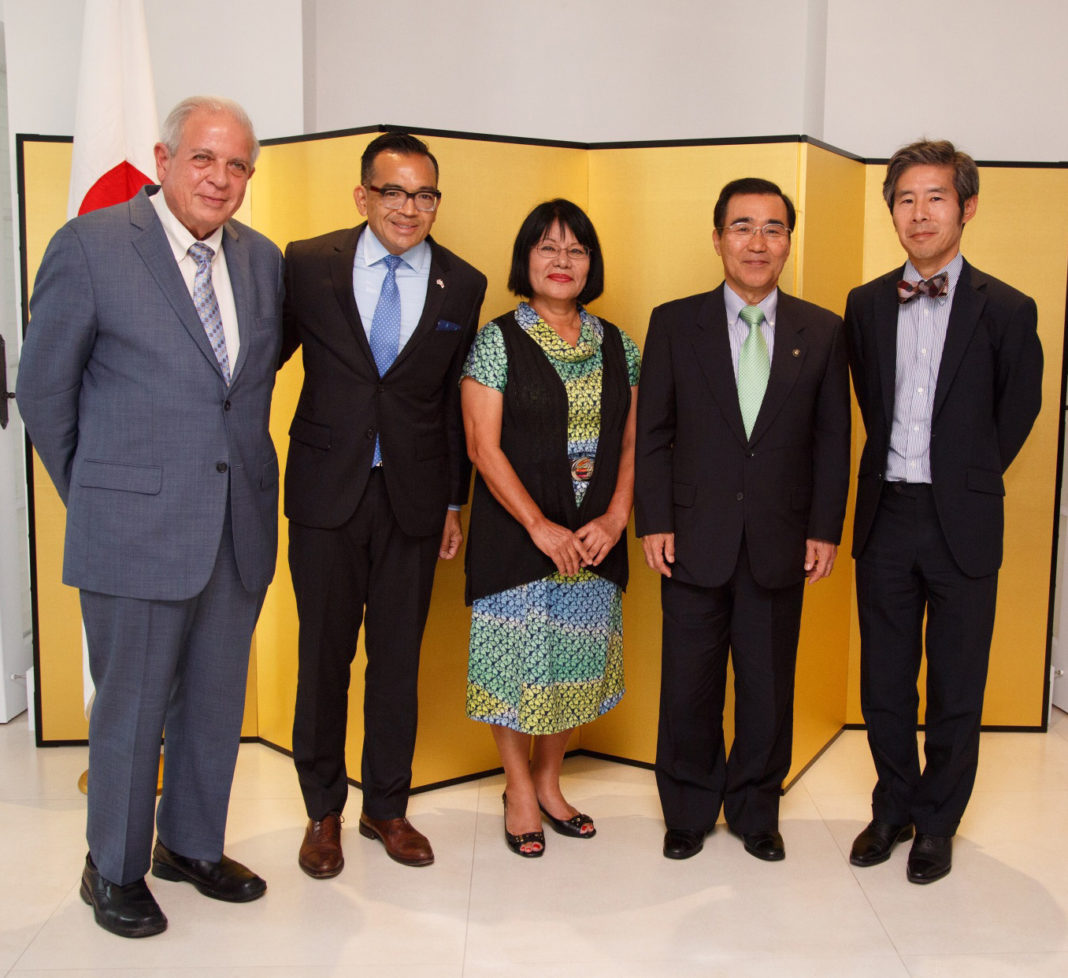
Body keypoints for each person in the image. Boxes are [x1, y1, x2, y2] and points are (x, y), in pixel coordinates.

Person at [16, 96, 282, 938]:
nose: (220, 178)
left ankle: (190, 847)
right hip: (132, 532)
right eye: (203, 158)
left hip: (236, 525)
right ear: (164, 160)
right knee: (130, 711)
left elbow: (242, 389)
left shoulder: (262, 260)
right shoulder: (91, 247)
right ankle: (114, 868)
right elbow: (43, 392)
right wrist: (102, 493)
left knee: (214, 702)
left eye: (237, 165)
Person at [283, 132, 487, 875]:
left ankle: (387, 808)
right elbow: (260, 359)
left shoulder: (463, 284)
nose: (409, 207)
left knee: (397, 661)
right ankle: (322, 812)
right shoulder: (308, 263)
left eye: (424, 194)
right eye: (393, 191)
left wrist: (455, 502)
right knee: (323, 659)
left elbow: (453, 401)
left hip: (414, 498)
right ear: (363, 194)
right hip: (324, 493)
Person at [635, 177, 851, 862]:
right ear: (717, 237)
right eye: (742, 226)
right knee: (688, 684)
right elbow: (654, 432)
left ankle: (758, 809)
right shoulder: (675, 322)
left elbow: (833, 440)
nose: (758, 242)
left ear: (788, 241)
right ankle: (688, 810)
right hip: (691, 536)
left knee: (767, 685)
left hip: (780, 540)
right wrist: (654, 519)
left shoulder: (823, 330)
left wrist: (824, 528)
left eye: (773, 228)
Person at [845, 140, 1042, 884]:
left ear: (967, 207)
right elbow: (870, 402)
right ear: (892, 210)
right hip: (886, 514)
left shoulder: (1008, 308)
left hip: (963, 519)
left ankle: (937, 824)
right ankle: (893, 807)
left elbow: (1016, 412)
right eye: (906, 199)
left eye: (935, 198)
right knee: (885, 681)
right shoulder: (866, 304)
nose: (920, 213)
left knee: (957, 684)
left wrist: (965, 477)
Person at [461, 199, 639, 857]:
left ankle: (549, 781)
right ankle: (517, 789)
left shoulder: (620, 345)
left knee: (572, 667)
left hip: (594, 540)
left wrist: (616, 517)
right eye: (548, 247)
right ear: (526, 259)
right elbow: (482, 447)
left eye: (576, 249)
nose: (562, 261)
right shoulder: (497, 340)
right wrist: (538, 526)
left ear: (591, 264)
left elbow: (633, 443)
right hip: (518, 536)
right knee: (514, 670)